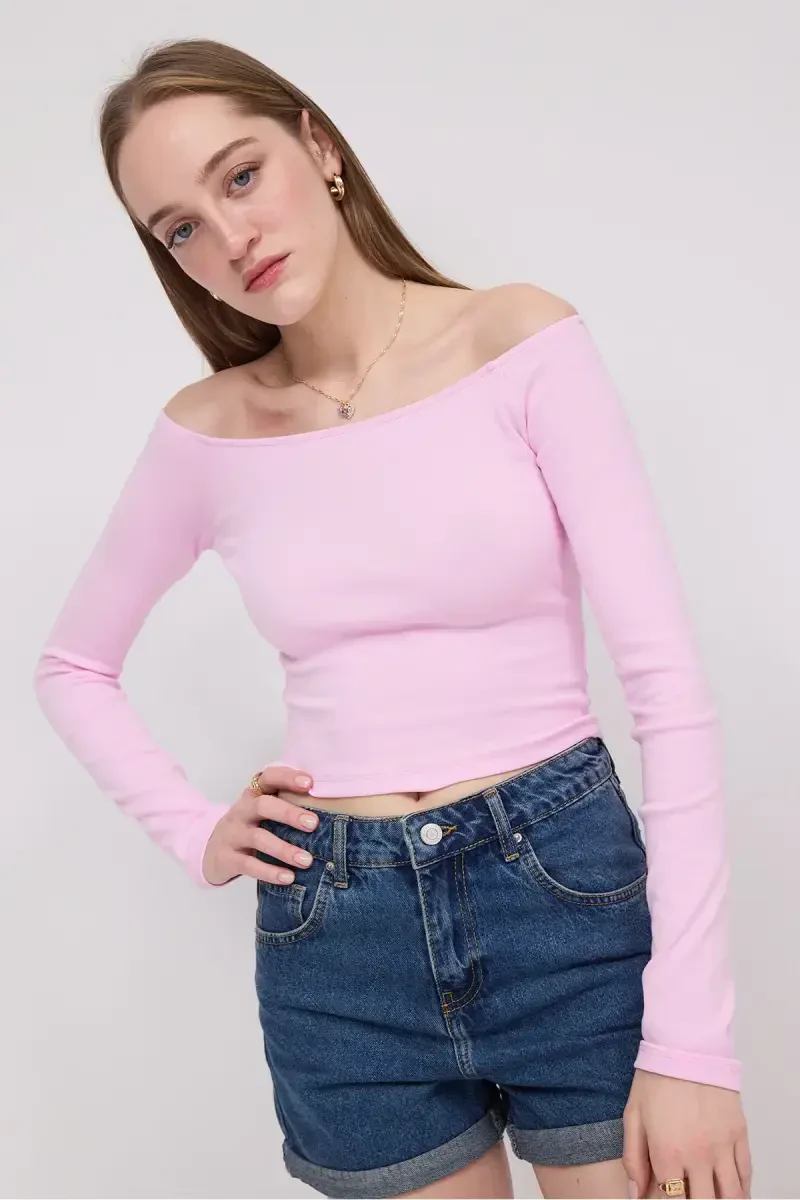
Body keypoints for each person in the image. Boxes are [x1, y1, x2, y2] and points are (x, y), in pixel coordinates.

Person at [33, 36, 752, 1200]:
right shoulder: (205, 433)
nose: (230, 238)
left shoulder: (515, 342)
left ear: (317, 147)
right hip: (338, 940)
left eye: (240, 176)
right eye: (180, 229)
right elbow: (72, 666)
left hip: (561, 896)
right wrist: (194, 829)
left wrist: (689, 1043)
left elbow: (667, 692)